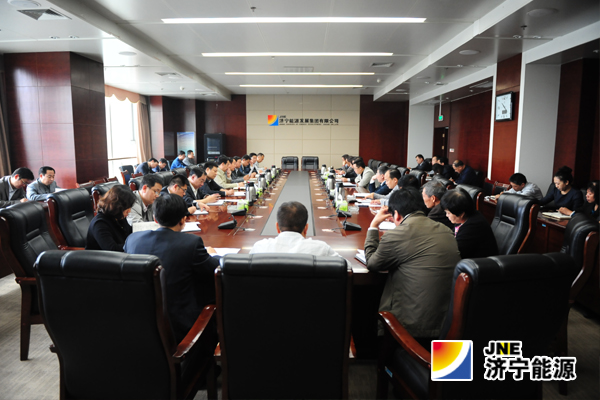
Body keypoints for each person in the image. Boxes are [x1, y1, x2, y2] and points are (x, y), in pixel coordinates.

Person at [364, 187, 461, 339]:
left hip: (413, 330)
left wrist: (373, 226)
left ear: (396, 214)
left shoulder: (396, 235)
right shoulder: (446, 230)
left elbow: (372, 263)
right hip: (448, 326)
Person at [124, 194, 220, 344]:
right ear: (183, 220)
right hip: (180, 330)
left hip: (139, 325)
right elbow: (215, 270)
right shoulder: (191, 243)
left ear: (155, 219)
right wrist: (212, 254)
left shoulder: (132, 240)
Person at [250, 201, 342, 256]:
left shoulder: (259, 248)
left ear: (277, 227)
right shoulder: (321, 249)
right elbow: (346, 267)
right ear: (306, 228)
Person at [441, 188, 499, 259]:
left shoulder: (474, 226)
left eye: (448, 213)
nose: (446, 215)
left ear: (461, 214)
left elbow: (456, 253)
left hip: (481, 264)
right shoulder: (464, 217)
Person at [86, 185, 136, 251]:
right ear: (117, 206)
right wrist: (135, 245)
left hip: (121, 255)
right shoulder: (99, 223)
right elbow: (112, 249)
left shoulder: (118, 216)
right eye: (127, 208)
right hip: (102, 256)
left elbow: (128, 232)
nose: (129, 211)